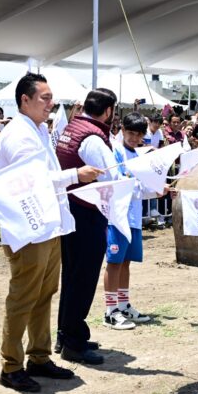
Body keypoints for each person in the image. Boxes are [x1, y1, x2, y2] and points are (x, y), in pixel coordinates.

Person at [0, 73, 101, 393]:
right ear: (24, 100)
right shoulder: (18, 134)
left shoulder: (39, 128)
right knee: (24, 297)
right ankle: (10, 365)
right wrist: (76, 175)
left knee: (43, 295)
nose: (50, 103)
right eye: (44, 97)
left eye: (50, 97)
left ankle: (38, 356)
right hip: (29, 227)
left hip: (47, 226)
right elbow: (36, 179)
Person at [56, 88, 119, 366]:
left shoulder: (72, 128)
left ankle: (65, 333)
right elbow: (113, 175)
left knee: (71, 276)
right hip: (87, 212)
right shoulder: (93, 139)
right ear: (108, 111)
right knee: (82, 279)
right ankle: (73, 341)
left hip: (72, 209)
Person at [104, 112, 166, 329]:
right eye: (129, 133)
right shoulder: (116, 151)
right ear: (122, 130)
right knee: (114, 263)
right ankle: (110, 310)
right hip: (117, 217)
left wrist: (159, 190)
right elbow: (122, 182)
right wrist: (145, 188)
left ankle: (123, 304)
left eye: (138, 135)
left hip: (134, 218)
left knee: (126, 262)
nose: (133, 138)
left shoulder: (139, 156)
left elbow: (142, 186)